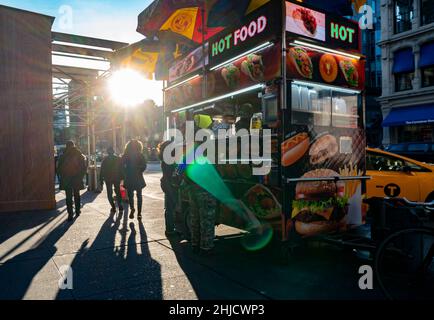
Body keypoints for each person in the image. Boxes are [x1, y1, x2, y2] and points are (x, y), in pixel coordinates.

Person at [57, 141, 87, 221]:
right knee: (77, 195)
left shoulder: (63, 156)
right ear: (74, 145)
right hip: (76, 179)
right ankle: (77, 211)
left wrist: (63, 177)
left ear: (66, 146)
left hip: (67, 179)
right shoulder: (79, 155)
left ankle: (70, 214)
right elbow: (84, 168)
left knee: (68, 197)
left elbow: (59, 169)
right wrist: (80, 177)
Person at [121, 139, 147, 220]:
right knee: (139, 196)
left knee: (130, 195)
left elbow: (121, 165)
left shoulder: (126, 155)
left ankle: (132, 209)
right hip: (138, 177)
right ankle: (139, 213)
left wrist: (125, 172)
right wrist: (139, 170)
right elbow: (144, 165)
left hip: (129, 177)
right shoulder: (140, 154)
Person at [158, 141, 179, 237]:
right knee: (170, 208)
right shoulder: (169, 160)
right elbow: (172, 174)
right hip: (170, 185)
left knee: (169, 208)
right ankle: (170, 229)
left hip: (167, 185)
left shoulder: (165, 158)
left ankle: (170, 228)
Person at [100, 147, 124, 214]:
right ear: (113, 152)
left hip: (108, 179)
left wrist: (101, 180)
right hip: (117, 178)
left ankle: (113, 207)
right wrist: (123, 177)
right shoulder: (118, 159)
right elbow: (122, 169)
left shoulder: (105, 160)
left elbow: (102, 170)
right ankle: (120, 206)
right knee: (118, 192)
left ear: (107, 152)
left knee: (109, 193)